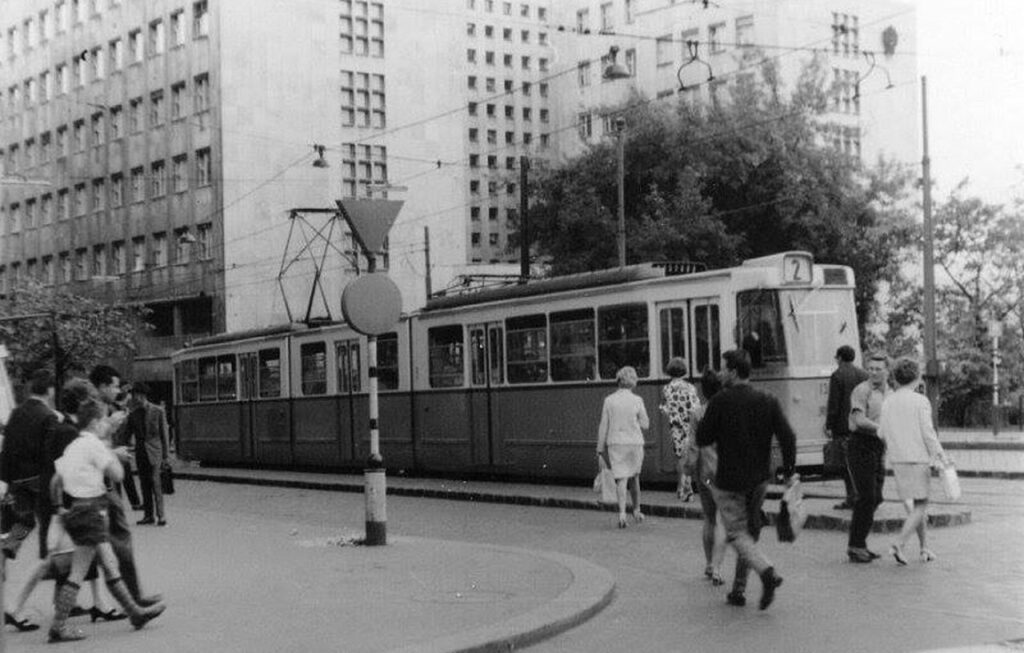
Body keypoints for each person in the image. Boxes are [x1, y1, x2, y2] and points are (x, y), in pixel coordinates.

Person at [47, 393, 165, 642]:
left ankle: (135, 613)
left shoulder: (73, 446)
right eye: (103, 421)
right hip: (92, 512)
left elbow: (56, 481)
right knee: (79, 572)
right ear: (94, 423)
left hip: (77, 511)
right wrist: (114, 455)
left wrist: (60, 507)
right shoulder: (94, 444)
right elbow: (119, 475)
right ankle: (58, 627)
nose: (105, 425)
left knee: (109, 565)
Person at [696, 349, 796, 610]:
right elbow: (788, 437)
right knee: (750, 532)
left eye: (722, 368)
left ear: (732, 371)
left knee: (737, 533)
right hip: (761, 478)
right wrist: (787, 471)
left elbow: (703, 438)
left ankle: (767, 572)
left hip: (730, 480)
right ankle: (738, 590)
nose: (719, 373)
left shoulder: (720, 401)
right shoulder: (768, 399)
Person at [87, 366, 162, 606]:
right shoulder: (92, 410)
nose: (118, 390)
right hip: (97, 487)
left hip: (103, 486)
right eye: (115, 386)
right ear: (102, 386)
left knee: (110, 544)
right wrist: (113, 448)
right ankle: (133, 601)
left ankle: (132, 600)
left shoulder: (103, 408)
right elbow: (85, 447)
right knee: (113, 543)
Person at [878, 357, 951, 565]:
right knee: (921, 505)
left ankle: (924, 548)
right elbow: (928, 434)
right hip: (918, 459)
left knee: (914, 507)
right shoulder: (920, 401)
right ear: (917, 377)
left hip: (897, 460)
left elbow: (881, 432)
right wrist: (941, 456)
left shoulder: (888, 401)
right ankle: (899, 544)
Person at [0, 369, 60, 561]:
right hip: (39, 478)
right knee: (47, 520)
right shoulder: (49, 416)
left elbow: (7, 447)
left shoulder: (16, 413)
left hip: (17, 478)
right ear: (49, 391)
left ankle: (10, 545)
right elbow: (49, 453)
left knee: (24, 520)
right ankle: (46, 561)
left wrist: (7, 479)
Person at [681, 367, 727, 586]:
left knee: (709, 518)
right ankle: (718, 568)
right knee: (721, 520)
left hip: (705, 472)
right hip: (726, 471)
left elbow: (693, 445)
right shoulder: (729, 410)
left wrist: (688, 471)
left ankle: (709, 564)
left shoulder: (698, 413)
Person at [846, 353, 892, 563]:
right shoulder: (862, 390)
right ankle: (856, 546)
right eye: (870, 368)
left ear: (887, 371)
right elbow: (859, 420)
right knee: (866, 496)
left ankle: (859, 542)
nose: (873, 372)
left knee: (877, 497)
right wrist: (882, 429)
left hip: (877, 446)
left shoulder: (889, 392)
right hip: (860, 444)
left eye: (878, 368)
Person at [596, 366, 650, 529]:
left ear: (618, 381)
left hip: (616, 443)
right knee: (635, 478)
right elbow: (645, 424)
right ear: (633, 382)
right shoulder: (637, 400)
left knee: (621, 479)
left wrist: (599, 448)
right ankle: (637, 510)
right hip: (634, 443)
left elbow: (603, 426)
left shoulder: (609, 400)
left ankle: (621, 514)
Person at [825, 345, 868, 510]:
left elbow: (834, 404)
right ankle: (862, 497)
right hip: (861, 425)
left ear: (840, 358)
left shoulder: (837, 376)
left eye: (837, 357)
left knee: (845, 465)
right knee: (860, 464)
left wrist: (829, 424)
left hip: (843, 427)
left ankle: (852, 497)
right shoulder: (864, 374)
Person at [122, 383, 170, 526]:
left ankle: (161, 516)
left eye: (135, 395)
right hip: (141, 452)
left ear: (141, 395)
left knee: (156, 484)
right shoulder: (133, 414)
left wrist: (165, 456)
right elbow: (126, 436)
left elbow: (164, 435)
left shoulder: (158, 411)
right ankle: (148, 515)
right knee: (144, 485)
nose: (134, 398)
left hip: (155, 452)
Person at [659, 357, 700, 502]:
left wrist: (672, 413)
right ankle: (686, 489)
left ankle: (680, 488)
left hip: (676, 427)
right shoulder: (691, 388)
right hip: (690, 425)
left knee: (680, 458)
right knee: (688, 457)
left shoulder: (666, 388)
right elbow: (696, 407)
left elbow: (664, 409)